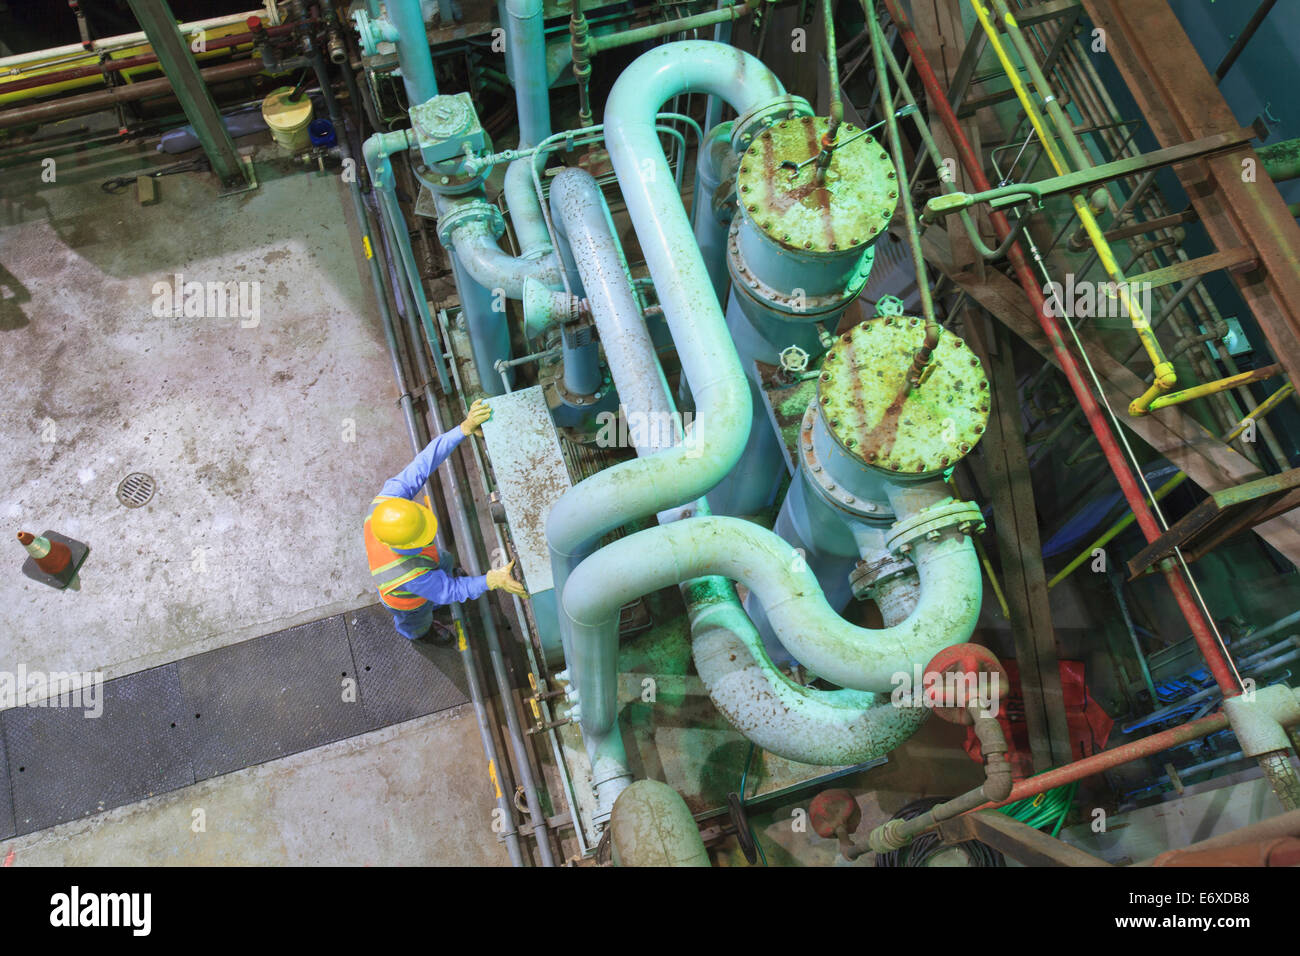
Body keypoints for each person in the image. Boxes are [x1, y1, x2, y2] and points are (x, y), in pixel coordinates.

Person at [363, 399, 528, 641]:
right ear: (410, 546)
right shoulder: (411, 576)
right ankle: (421, 634)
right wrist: (492, 580)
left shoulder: (386, 505)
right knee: (420, 616)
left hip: (424, 566)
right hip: (408, 600)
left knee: (445, 560)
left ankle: (440, 587)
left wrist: (464, 428)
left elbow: (424, 462)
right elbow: (449, 591)